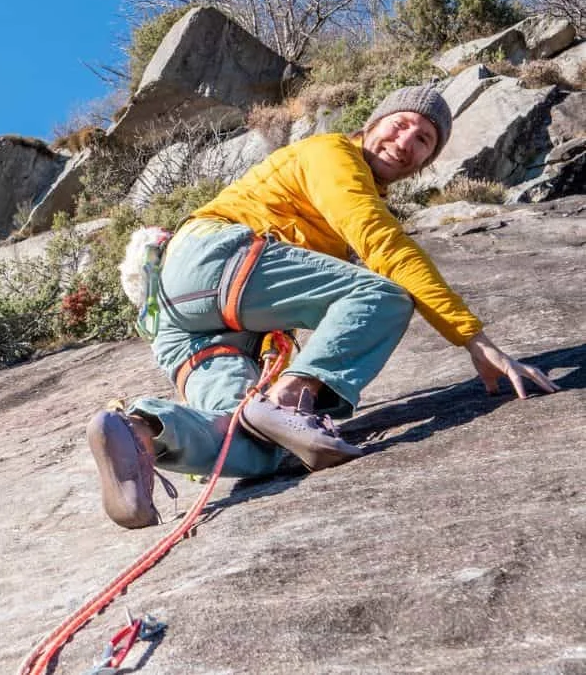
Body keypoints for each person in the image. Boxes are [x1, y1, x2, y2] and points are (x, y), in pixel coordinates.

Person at [87, 85, 559, 529]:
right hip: (215, 256)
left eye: (423, 141)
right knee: (384, 295)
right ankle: (293, 397)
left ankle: (141, 431)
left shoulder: (342, 181)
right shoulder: (331, 153)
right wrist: (473, 338)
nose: (406, 142)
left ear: (424, 163)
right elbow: (380, 242)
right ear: (372, 123)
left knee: (258, 443)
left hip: (187, 315)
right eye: (400, 124)